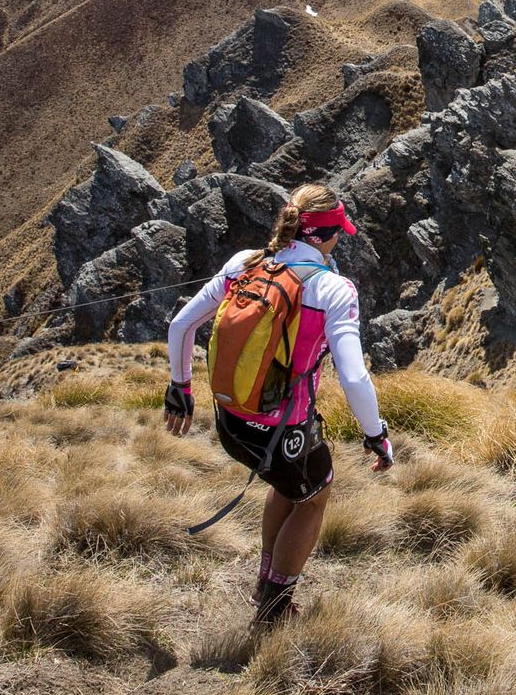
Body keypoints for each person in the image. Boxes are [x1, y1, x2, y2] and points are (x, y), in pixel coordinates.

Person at [164, 184, 394, 623]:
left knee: (286, 486)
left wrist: (181, 389)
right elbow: (354, 376)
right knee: (314, 494)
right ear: (321, 236)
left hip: (231, 420)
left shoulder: (244, 264)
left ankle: (265, 584)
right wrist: (376, 435)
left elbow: (181, 326)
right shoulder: (333, 289)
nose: (338, 240)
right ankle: (274, 608)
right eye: (336, 234)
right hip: (283, 431)